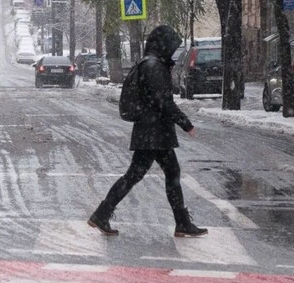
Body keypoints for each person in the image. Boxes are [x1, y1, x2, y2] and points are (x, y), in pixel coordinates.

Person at [88, 25, 207, 238]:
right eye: (171, 46)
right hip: (155, 131)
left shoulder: (150, 63)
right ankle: (180, 223)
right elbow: (163, 101)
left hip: (150, 130)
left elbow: (157, 99)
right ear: (163, 45)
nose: (173, 51)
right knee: (153, 175)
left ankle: (103, 213)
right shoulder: (154, 66)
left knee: (155, 174)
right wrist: (185, 123)